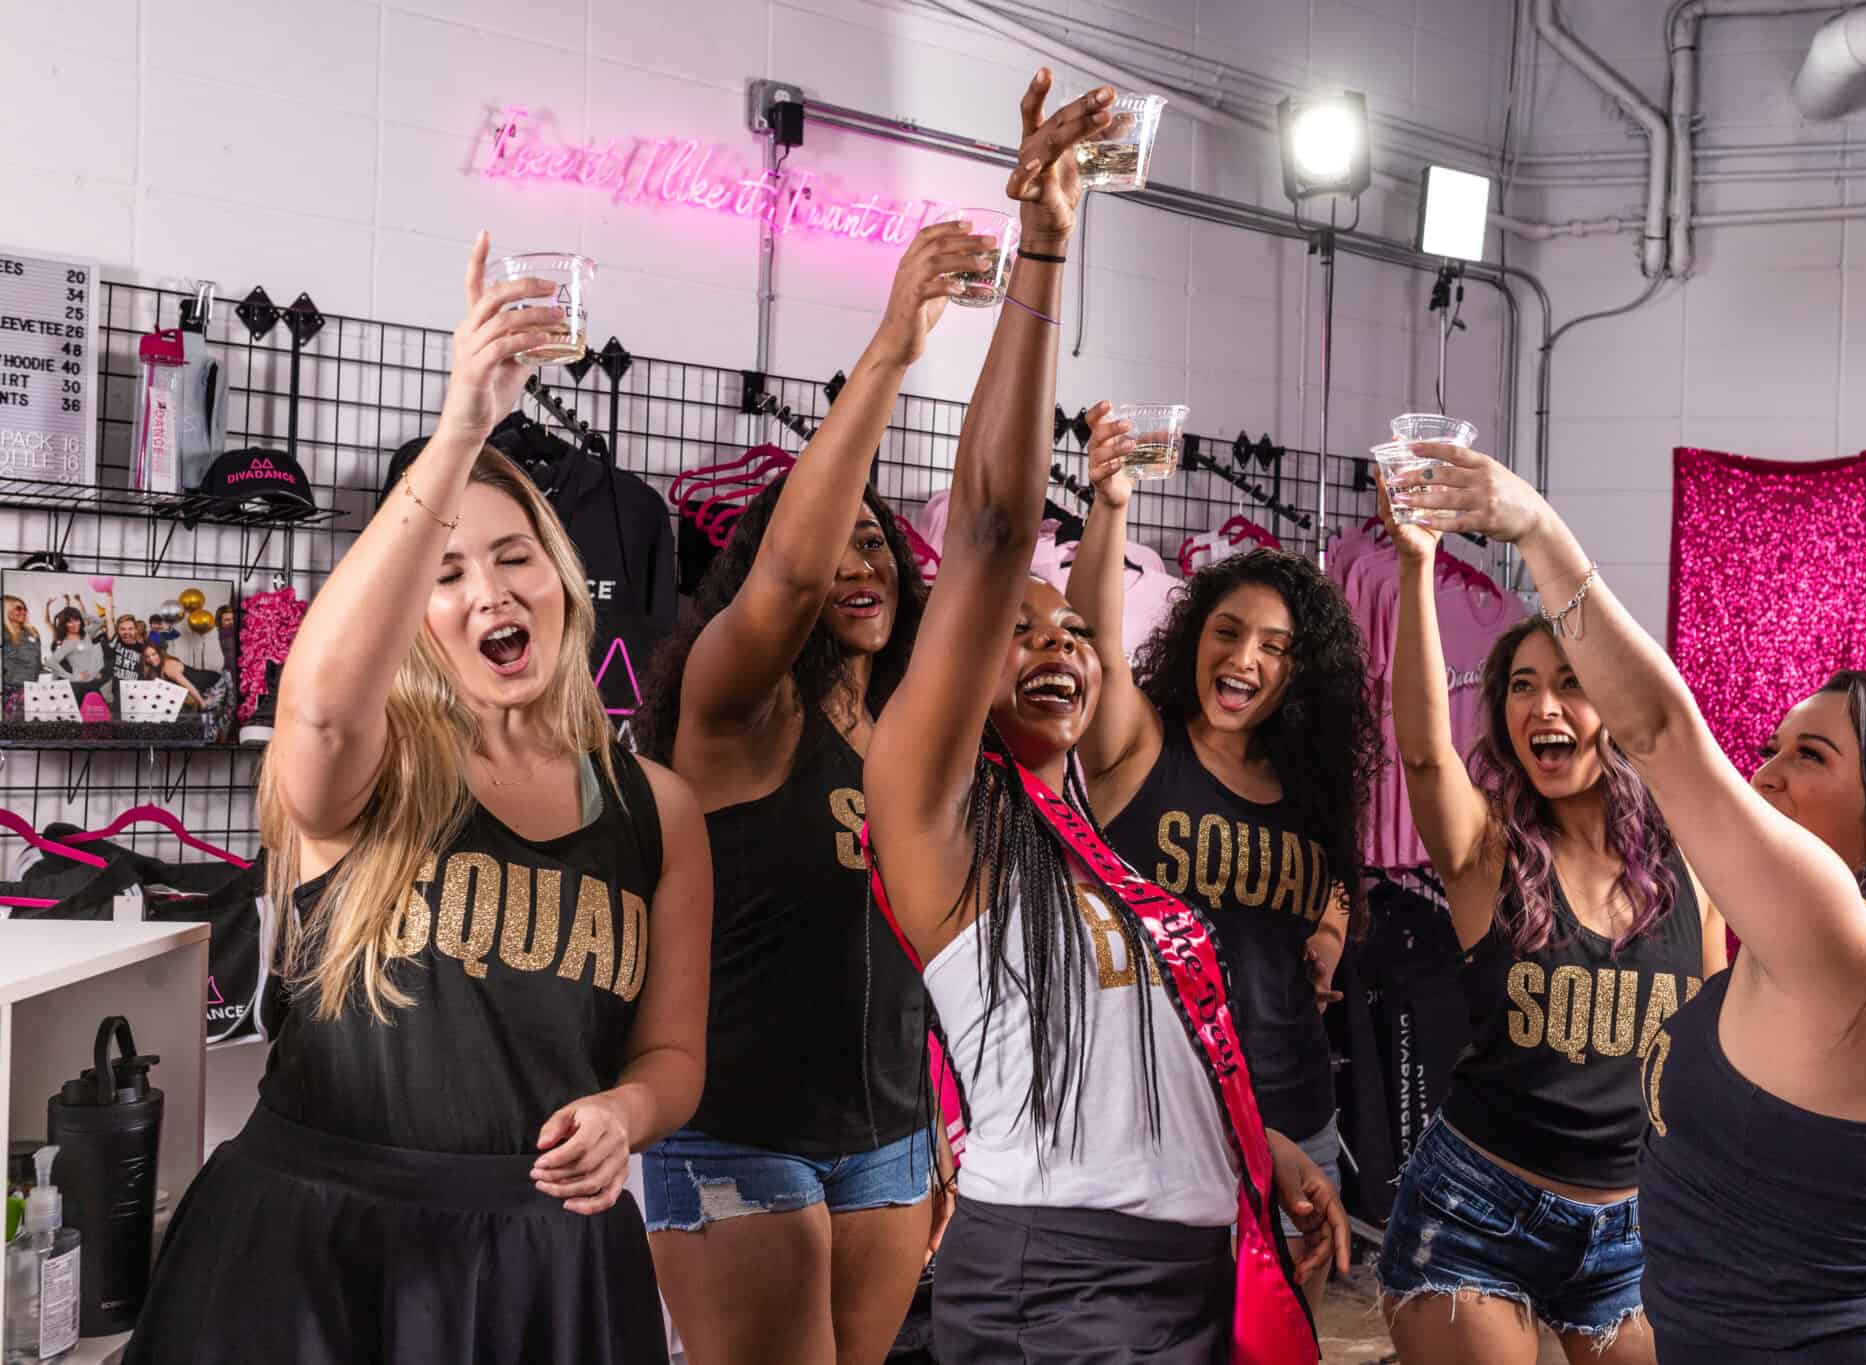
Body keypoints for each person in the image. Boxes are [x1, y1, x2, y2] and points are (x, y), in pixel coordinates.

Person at [125, 230, 713, 1365]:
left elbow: (671, 1056)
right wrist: (461, 430)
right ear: (407, 615)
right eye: (444, 573)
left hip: (546, 1265)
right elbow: (320, 706)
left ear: (560, 576)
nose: (486, 590)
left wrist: (626, 1117)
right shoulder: (366, 766)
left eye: (513, 558)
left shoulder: (658, 809)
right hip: (314, 1252)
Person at [863, 70, 1346, 1365]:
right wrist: (1044, 249)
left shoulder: (1086, 838)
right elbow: (991, 531)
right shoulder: (937, 808)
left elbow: (1137, 1048)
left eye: (1074, 629)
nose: (1058, 643)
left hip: (1185, 1263)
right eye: (1015, 630)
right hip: (1064, 1278)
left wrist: (1262, 1146)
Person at [1393, 445, 1866, 1364]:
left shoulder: (1848, 940)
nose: (1764, 772)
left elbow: (1661, 731)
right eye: (1772, 746)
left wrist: (1535, 526)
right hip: (1502, 1217)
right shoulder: (1828, 947)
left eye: (1810, 756)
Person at [628, 221, 986, 1365]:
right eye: (837, 547)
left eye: (877, 545)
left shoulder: (914, 737)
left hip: (887, 1139)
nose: (858, 563)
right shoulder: (735, 714)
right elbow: (788, 570)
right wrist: (890, 349)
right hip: (734, 1137)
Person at [1370, 477, 1726, 1365]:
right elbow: (1420, 748)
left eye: (1571, 684)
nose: (1543, 707)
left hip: (1630, 1231)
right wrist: (1417, 566)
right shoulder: (1487, 851)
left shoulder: (1694, 864)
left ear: (1616, 709)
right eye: (1522, 687)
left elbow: (1717, 1055)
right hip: (1473, 1214)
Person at [1068, 410, 1379, 1310]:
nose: (1246, 658)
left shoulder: (1312, 789)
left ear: (1300, 672)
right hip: (1159, 1115)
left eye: (1277, 647)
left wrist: (1324, 938)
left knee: (1271, 1338)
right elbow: (1091, 636)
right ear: (1193, 634)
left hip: (1297, 1115)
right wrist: (1110, 505)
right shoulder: (1140, 750)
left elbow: (1333, 896)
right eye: (1228, 631)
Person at [44, 596, 103, 697]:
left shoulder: (86, 633)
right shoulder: (67, 643)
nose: (74, 624)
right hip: (79, 686)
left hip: (92, 683)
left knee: (99, 711)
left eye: (76, 620)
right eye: (69, 621)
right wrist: (72, 677)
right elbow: (51, 662)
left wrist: (81, 614)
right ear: (64, 624)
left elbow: (99, 622)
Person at [134, 641, 203, 711]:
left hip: (206, 681)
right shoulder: (153, 669)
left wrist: (202, 703)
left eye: (154, 654)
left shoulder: (168, 665)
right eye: (147, 657)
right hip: (191, 691)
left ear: (160, 653)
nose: (151, 659)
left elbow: (188, 686)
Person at [2, 594, 42, 707]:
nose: (23, 612)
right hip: (10, 689)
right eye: (18, 608)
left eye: (25, 609)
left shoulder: (33, 632)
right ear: (6, 609)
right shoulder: (4, 633)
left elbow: (38, 661)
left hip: (32, 688)